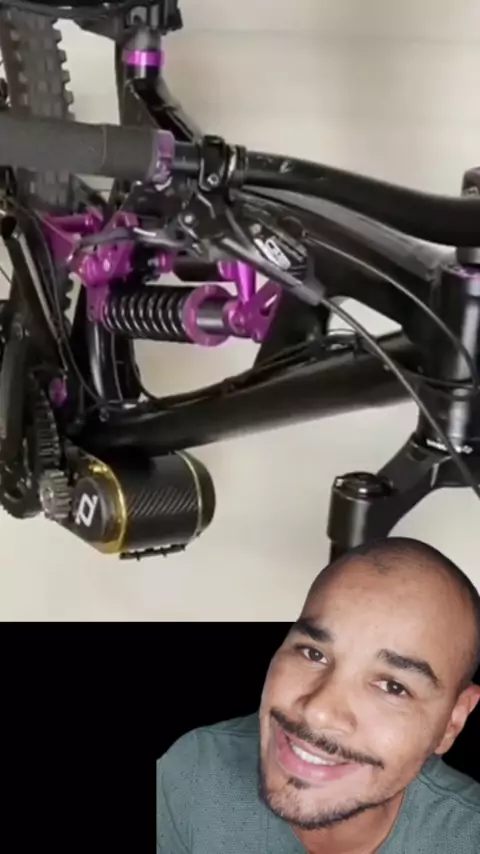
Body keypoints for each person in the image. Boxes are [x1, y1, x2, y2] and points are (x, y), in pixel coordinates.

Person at [156, 537, 480, 853]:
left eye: (393, 687)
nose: (319, 711)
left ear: (452, 722)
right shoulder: (193, 772)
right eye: (313, 653)